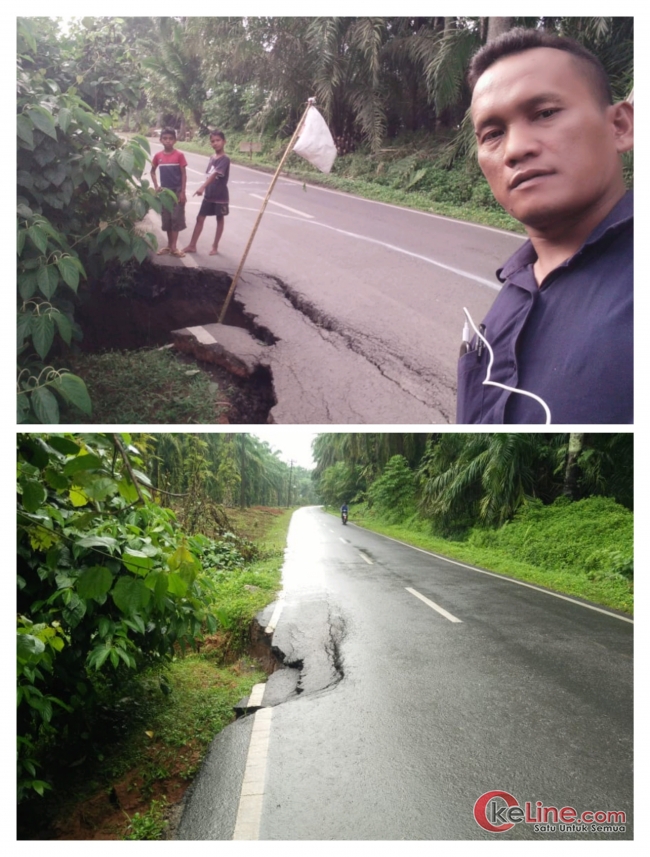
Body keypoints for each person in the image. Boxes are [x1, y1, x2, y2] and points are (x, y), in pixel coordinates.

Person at [456, 28, 633, 424]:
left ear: (620, 126)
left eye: (545, 113)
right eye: (493, 134)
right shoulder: (512, 292)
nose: (516, 149)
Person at [183, 130, 230, 255]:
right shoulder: (212, 157)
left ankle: (215, 246)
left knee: (220, 218)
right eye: (213, 141)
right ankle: (192, 245)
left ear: (224, 142)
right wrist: (206, 188)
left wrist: (202, 187)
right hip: (209, 194)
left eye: (218, 140)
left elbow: (215, 174)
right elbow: (209, 173)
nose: (215, 143)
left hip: (220, 195)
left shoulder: (225, 159)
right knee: (200, 218)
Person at [150, 128, 187, 257]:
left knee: (176, 219)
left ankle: (174, 247)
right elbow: (152, 171)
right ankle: (168, 245)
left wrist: (183, 192)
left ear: (175, 141)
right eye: (165, 138)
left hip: (176, 192)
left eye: (171, 138)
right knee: (167, 220)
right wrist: (156, 186)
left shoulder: (179, 156)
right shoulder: (158, 156)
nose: (168, 141)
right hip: (165, 193)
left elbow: (183, 174)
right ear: (160, 140)